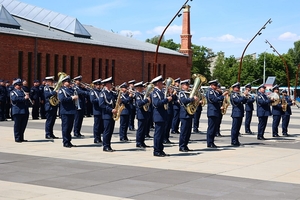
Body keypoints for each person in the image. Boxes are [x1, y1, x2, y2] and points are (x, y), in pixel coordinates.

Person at [150, 75, 172, 157]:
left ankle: (161, 149)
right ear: (158, 83)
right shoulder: (155, 93)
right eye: (162, 83)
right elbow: (156, 104)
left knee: (162, 134)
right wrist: (166, 99)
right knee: (158, 134)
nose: (163, 84)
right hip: (158, 116)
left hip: (163, 115)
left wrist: (170, 96)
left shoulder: (161, 92)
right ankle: (157, 150)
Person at [206, 79, 227, 148]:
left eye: (216, 85)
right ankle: (209, 142)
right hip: (212, 112)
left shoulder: (215, 92)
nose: (216, 86)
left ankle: (212, 141)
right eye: (215, 85)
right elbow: (214, 99)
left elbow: (219, 98)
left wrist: (221, 94)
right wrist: (222, 95)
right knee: (211, 128)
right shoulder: (210, 92)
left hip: (216, 112)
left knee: (214, 128)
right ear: (211, 85)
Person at [178, 79, 198, 152]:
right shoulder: (181, 93)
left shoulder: (188, 93)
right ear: (183, 86)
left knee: (188, 131)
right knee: (184, 131)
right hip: (184, 114)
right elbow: (183, 101)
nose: (188, 86)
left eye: (188, 85)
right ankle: (182, 146)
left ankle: (185, 145)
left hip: (189, 114)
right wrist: (192, 99)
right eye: (186, 85)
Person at [58, 75, 78, 148]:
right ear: (63, 83)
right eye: (67, 81)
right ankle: (65, 142)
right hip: (65, 111)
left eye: (69, 81)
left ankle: (69, 141)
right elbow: (62, 99)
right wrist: (71, 98)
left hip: (71, 111)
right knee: (65, 127)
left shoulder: (72, 90)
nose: (69, 83)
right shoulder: (61, 90)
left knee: (70, 127)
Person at [99, 77, 117, 152]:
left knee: (110, 131)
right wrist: (111, 110)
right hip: (106, 115)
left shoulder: (112, 93)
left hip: (112, 115)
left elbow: (114, 102)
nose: (112, 85)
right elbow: (101, 104)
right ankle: (105, 146)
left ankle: (108, 145)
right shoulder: (102, 93)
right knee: (107, 131)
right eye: (110, 83)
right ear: (106, 84)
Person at [10, 78, 30, 142]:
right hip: (17, 111)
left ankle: (21, 137)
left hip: (24, 110)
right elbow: (15, 99)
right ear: (15, 85)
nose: (20, 86)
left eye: (21, 85)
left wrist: (28, 97)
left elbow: (27, 100)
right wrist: (24, 98)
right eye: (18, 85)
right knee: (17, 125)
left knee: (23, 125)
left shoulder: (23, 92)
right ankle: (17, 138)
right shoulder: (13, 92)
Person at [230, 82, 247, 146]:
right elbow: (237, 101)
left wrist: (245, 97)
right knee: (235, 128)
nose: (238, 89)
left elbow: (244, 101)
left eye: (238, 87)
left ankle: (236, 140)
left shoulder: (238, 94)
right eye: (237, 87)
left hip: (240, 112)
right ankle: (233, 141)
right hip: (236, 113)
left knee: (238, 128)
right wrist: (244, 96)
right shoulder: (234, 94)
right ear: (234, 88)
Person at [134, 81, 151, 148]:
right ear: (138, 88)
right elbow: (139, 104)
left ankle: (142, 142)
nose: (143, 88)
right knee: (140, 129)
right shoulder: (137, 95)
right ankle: (138, 142)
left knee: (144, 129)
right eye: (141, 87)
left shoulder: (142, 94)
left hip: (145, 113)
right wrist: (146, 100)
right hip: (141, 114)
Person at [90, 79, 103, 143]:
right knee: (97, 125)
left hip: (102, 110)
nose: (99, 86)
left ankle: (99, 137)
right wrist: (100, 100)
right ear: (95, 85)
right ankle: (96, 138)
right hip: (97, 110)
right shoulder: (93, 92)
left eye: (100, 85)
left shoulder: (101, 91)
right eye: (98, 85)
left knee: (101, 125)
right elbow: (92, 100)